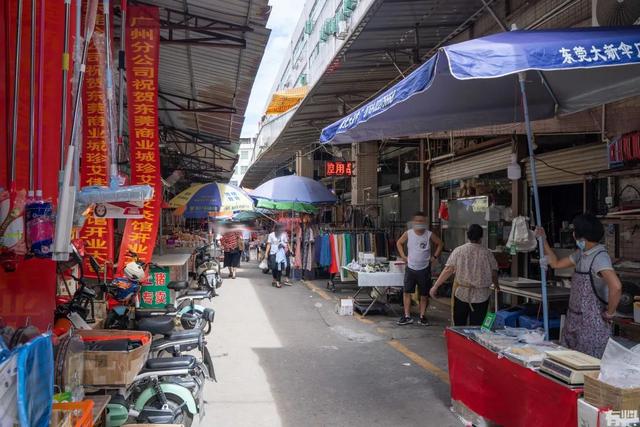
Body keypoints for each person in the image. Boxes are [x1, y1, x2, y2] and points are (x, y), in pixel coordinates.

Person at [537, 214, 622, 358]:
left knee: (586, 366)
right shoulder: (582, 254)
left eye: (575, 231)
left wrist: (610, 313)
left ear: (582, 236)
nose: (573, 234)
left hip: (592, 326)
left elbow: (616, 286)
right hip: (574, 319)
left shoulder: (599, 257)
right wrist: (543, 240)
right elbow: (556, 264)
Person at [430, 224, 499, 326]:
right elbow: (494, 272)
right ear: (481, 237)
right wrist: (497, 285)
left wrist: (435, 286)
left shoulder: (459, 250)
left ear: (468, 235)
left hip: (462, 294)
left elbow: (448, 269)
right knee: (477, 327)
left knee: (459, 326)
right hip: (482, 295)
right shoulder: (487, 253)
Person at [396, 211, 443, 326]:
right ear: (413, 222)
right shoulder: (409, 233)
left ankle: (422, 316)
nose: (419, 223)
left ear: (425, 222)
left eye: (422, 221)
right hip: (411, 267)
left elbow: (440, 243)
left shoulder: (429, 234)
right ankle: (407, 316)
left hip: (424, 268)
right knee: (407, 292)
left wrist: (435, 257)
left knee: (424, 294)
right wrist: (403, 256)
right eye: (417, 221)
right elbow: (399, 243)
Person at [266, 223, 288, 288]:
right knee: (274, 267)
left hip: (280, 254)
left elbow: (286, 243)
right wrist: (266, 253)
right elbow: (269, 244)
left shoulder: (283, 235)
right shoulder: (271, 235)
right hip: (273, 253)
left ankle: (278, 282)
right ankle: (274, 278)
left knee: (279, 268)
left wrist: (283, 245)